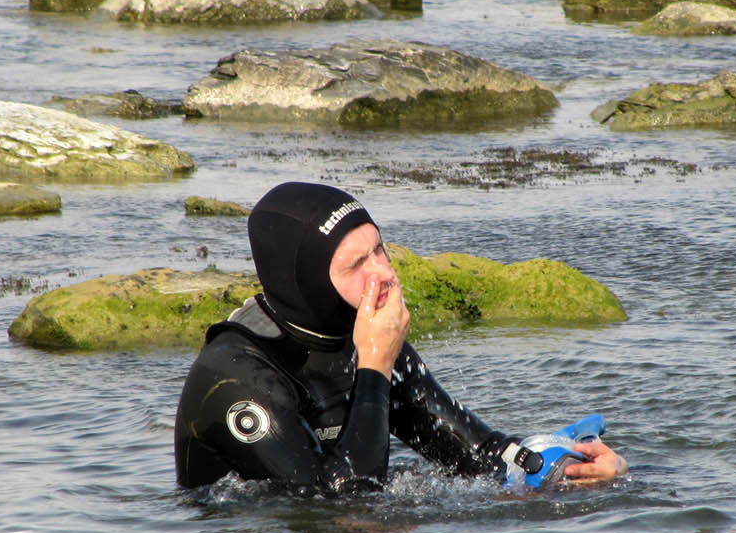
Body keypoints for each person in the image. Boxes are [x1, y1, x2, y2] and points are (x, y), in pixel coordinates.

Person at [174, 181, 628, 494]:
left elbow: (479, 457)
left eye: (380, 249)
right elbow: (342, 509)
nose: (385, 273)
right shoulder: (236, 379)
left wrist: (573, 470)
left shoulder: (364, 337)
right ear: (307, 284)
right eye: (357, 265)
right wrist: (374, 364)